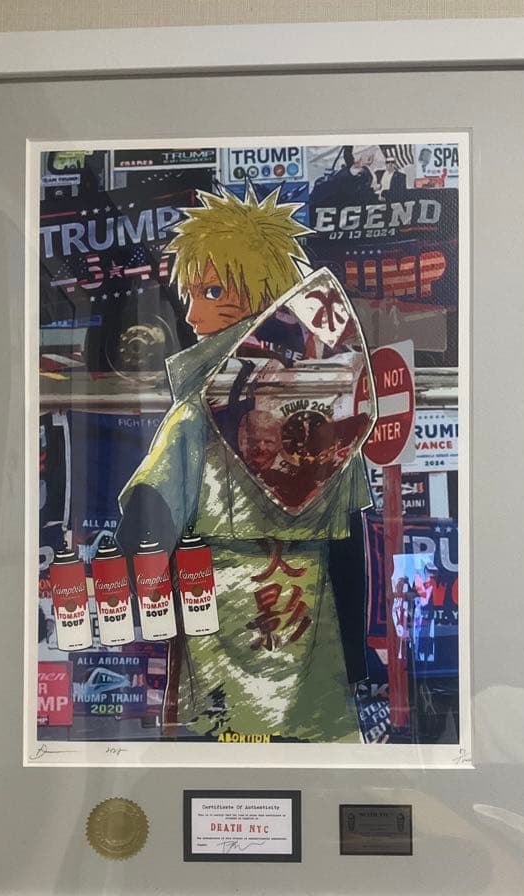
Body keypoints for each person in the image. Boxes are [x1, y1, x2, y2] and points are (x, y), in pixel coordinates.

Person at [115, 186, 373, 742]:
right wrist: (357, 650)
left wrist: (137, 585)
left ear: (264, 293)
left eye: (212, 292)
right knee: (313, 760)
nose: (192, 313)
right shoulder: (331, 406)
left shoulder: (200, 407)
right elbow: (352, 545)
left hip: (223, 621)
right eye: (190, 294)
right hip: (312, 633)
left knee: (222, 759)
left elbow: (148, 517)